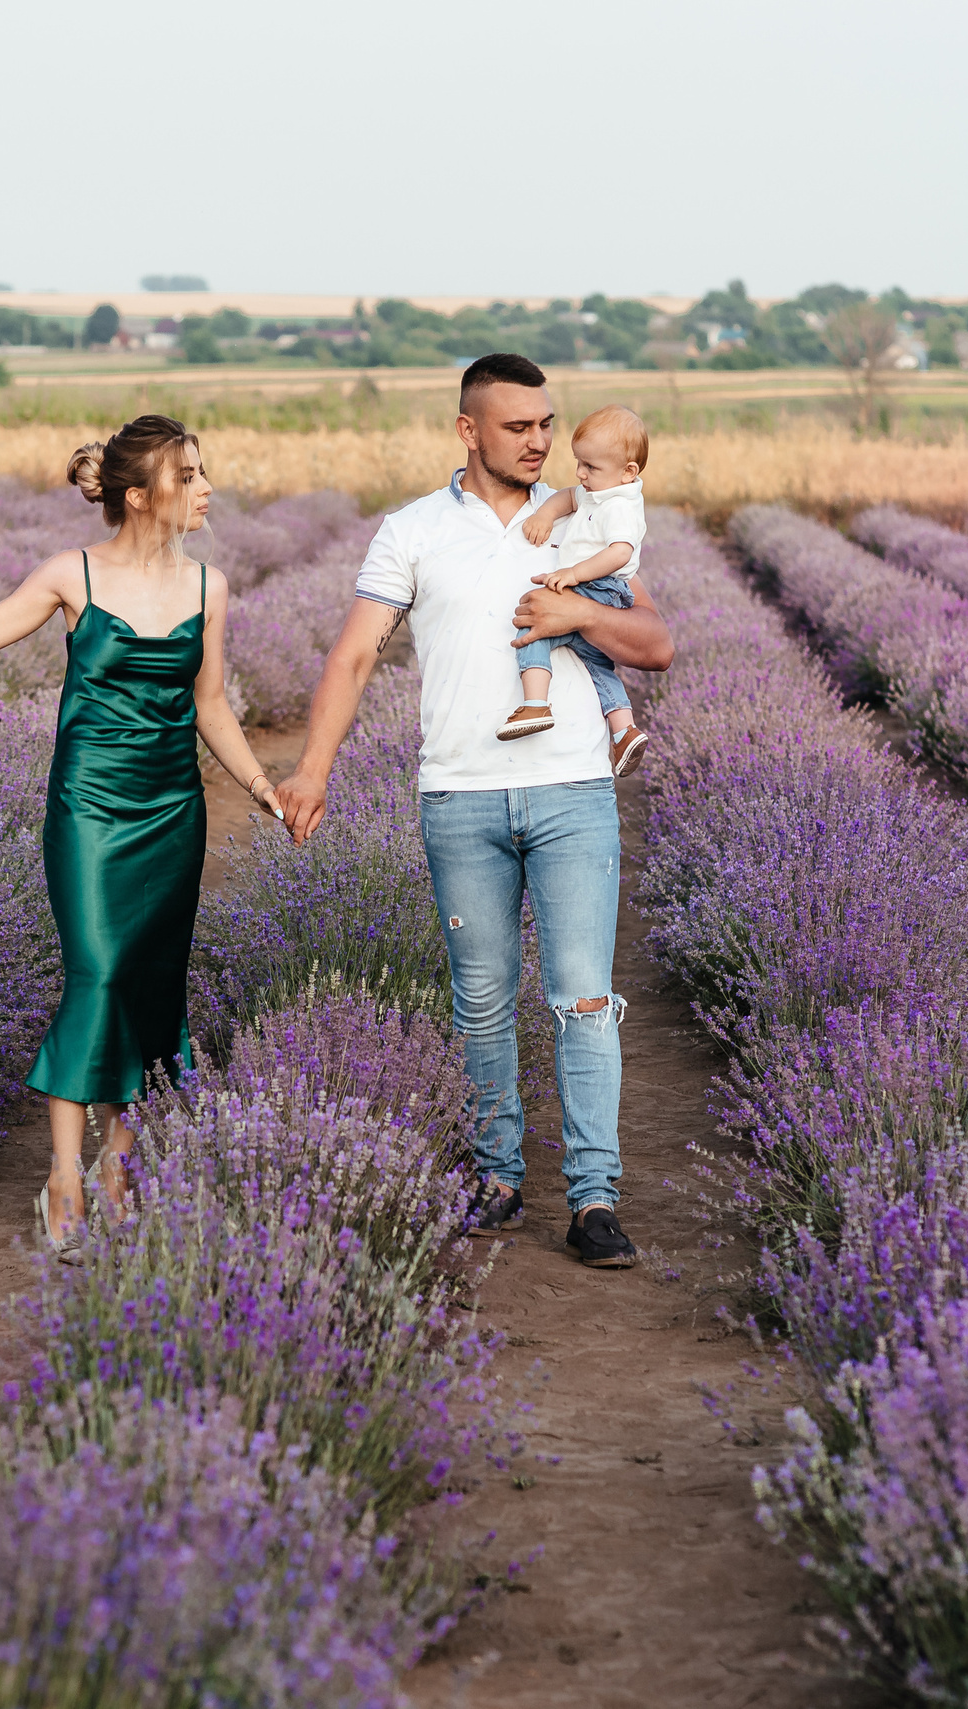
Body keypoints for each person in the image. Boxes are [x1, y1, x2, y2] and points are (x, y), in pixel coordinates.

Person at [277, 354, 674, 1269]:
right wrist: (313, 770)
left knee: (583, 1000)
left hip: (574, 790)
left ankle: (594, 1197)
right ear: (469, 430)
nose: (539, 441)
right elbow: (351, 659)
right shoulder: (413, 531)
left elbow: (655, 643)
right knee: (483, 1001)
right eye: (518, 427)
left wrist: (577, 615)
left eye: (545, 424)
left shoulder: (580, 519)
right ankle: (496, 1177)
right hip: (458, 795)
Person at [0, 415, 279, 1260]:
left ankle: (120, 1168)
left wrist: (263, 786)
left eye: (202, 472)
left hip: (171, 812)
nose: (206, 489)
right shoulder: (70, 574)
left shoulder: (211, 587)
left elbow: (211, 705)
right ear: (138, 495)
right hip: (88, 806)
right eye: (188, 475)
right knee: (100, 974)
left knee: (153, 989)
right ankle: (63, 1174)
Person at [500, 404, 651, 778]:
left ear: (628, 472)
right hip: (595, 586)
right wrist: (545, 516)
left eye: (591, 467)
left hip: (599, 586)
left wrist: (573, 573)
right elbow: (569, 497)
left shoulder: (620, 505)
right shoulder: (599, 491)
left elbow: (620, 553)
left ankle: (535, 703)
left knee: (535, 626)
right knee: (597, 663)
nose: (580, 474)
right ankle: (624, 730)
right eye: (579, 463)